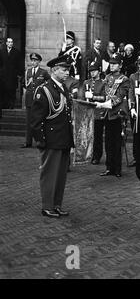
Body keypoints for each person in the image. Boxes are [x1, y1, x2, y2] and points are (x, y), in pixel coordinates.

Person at [29, 54, 74, 218]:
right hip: (50, 140)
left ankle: (57, 204)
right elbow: (35, 120)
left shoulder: (63, 88)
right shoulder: (44, 90)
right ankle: (47, 206)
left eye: (67, 69)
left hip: (63, 139)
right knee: (49, 174)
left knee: (61, 176)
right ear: (54, 71)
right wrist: (41, 141)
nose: (67, 72)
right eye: (64, 69)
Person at [96, 53, 130, 178]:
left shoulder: (124, 79)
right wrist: (97, 101)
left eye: (115, 63)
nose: (112, 65)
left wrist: (104, 104)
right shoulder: (107, 77)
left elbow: (119, 98)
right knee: (108, 142)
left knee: (116, 142)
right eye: (111, 63)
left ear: (120, 65)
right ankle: (109, 167)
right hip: (107, 114)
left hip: (117, 114)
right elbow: (103, 94)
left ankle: (117, 169)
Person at [22, 53, 50, 148]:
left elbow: (49, 83)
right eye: (32, 60)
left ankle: (40, 141)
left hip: (39, 101)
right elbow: (25, 85)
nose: (33, 62)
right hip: (29, 100)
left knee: (39, 121)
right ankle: (28, 142)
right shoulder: (28, 72)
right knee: (28, 122)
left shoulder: (44, 72)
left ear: (39, 61)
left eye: (35, 60)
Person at [83, 61, 106, 165]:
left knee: (97, 136)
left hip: (98, 113)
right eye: (91, 71)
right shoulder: (86, 83)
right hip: (88, 113)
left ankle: (97, 156)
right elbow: (82, 97)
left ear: (99, 71)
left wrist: (93, 97)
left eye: (94, 71)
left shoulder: (103, 83)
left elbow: (104, 97)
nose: (92, 73)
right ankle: (89, 154)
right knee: (88, 135)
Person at [0, 38, 22, 109]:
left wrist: (18, 73)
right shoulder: (1, 52)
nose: (10, 43)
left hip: (12, 75)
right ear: (6, 43)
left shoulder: (17, 52)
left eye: (11, 42)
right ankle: (4, 105)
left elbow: (19, 64)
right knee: (4, 90)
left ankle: (11, 105)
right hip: (4, 75)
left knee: (12, 90)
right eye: (9, 42)